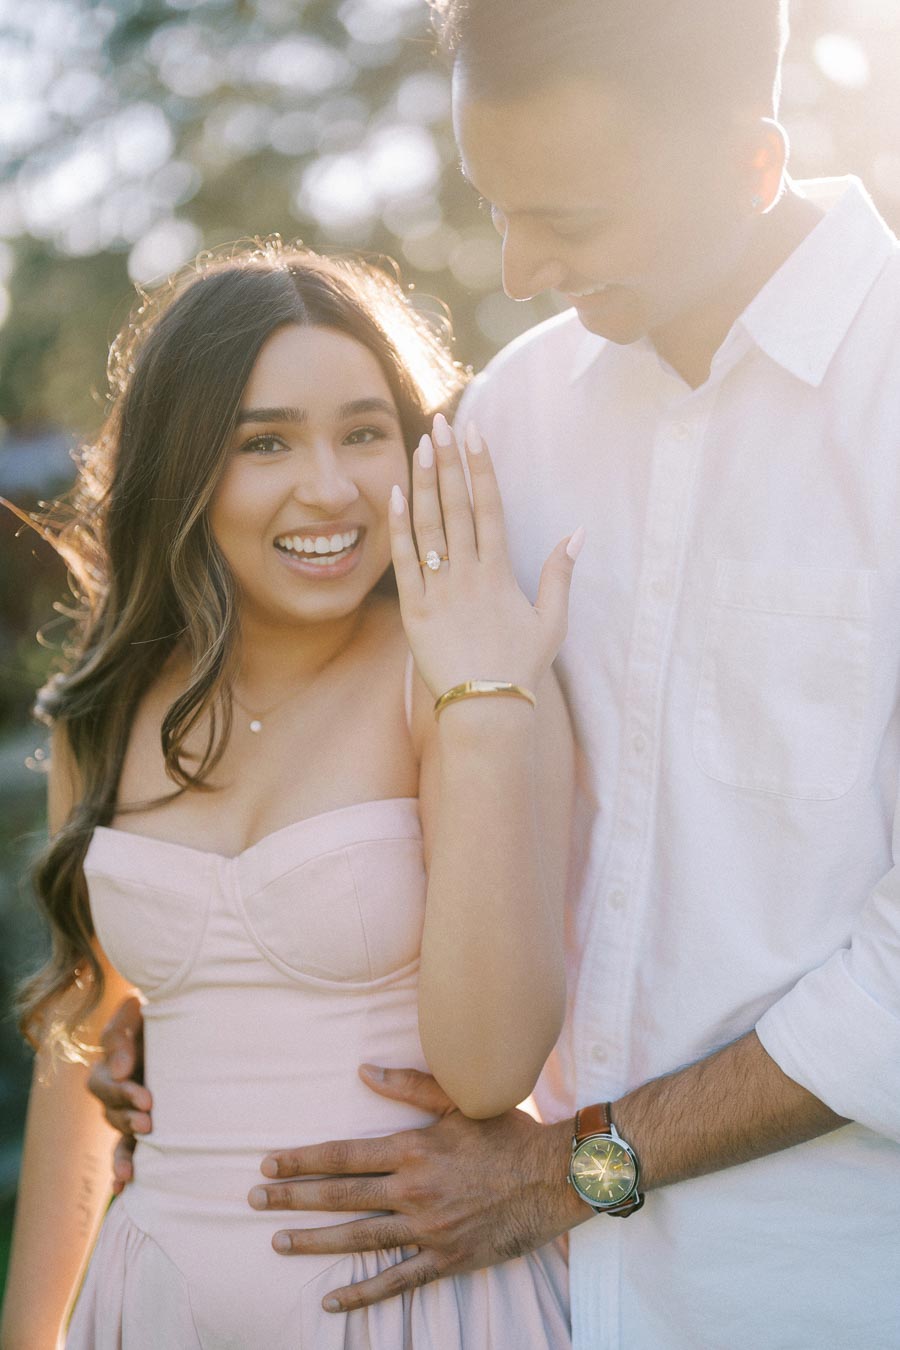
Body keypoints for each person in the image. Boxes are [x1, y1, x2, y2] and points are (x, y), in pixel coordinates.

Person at [88, 1, 900, 1345]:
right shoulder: (516, 418)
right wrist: (206, 1002)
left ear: (751, 167)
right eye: (499, 206)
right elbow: (307, 667)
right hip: (524, 1295)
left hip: (822, 1281)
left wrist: (573, 1166)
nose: (517, 269)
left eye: (568, 221)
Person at [0, 244, 583, 1349]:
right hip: (156, 1300)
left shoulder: (461, 671)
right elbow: (75, 1056)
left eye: (365, 431)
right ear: (184, 467)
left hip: (418, 1308)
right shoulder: (105, 708)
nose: (329, 486)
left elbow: (489, 1067)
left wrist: (487, 702)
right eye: (264, 442)